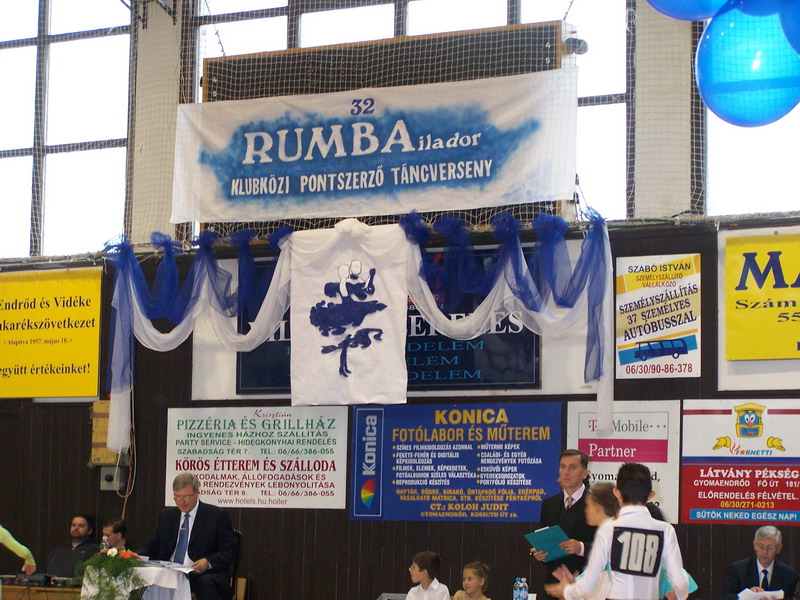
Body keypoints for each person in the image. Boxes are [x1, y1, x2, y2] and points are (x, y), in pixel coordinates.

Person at [545, 462, 689, 600]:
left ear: (616, 492)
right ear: (651, 495)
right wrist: (679, 595)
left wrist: (567, 591)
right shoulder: (665, 530)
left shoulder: (608, 529)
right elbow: (679, 581)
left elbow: (589, 584)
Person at [138, 473, 239, 600]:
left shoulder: (216, 516)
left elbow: (231, 551)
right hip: (170, 573)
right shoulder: (166, 516)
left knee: (206, 583)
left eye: (187, 497)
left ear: (197, 493)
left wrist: (208, 562)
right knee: (146, 579)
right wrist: (136, 555)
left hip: (202, 574)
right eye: (177, 497)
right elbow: (153, 545)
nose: (182, 502)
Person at [532, 449, 597, 584]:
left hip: (587, 583)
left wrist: (581, 548)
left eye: (572, 467)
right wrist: (541, 554)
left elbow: (610, 548)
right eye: (563, 466)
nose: (566, 472)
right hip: (554, 583)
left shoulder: (597, 503)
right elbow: (545, 540)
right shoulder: (549, 504)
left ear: (585, 473)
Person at [547, 482, 619, 600]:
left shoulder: (607, 532)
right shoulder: (614, 530)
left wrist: (567, 590)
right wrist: (574, 582)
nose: (585, 511)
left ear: (597, 507)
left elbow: (593, 581)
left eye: (588, 506)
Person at [717, 525, 799, 600]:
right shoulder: (738, 570)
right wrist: (744, 597)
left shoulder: (789, 575)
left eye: (770, 547)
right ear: (754, 545)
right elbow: (723, 597)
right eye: (761, 546)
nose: (764, 552)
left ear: (779, 548)